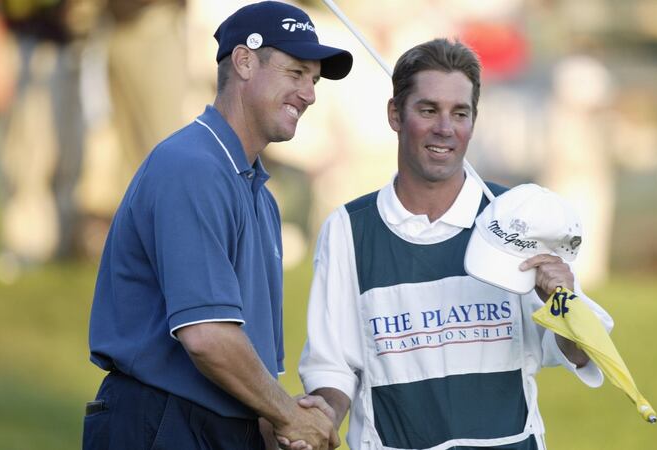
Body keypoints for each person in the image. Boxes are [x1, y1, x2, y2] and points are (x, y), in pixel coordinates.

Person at [297, 38, 613, 450]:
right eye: (428, 110)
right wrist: (317, 423)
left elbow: (579, 353)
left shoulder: (516, 217)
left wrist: (564, 302)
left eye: (459, 113)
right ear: (396, 114)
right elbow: (332, 368)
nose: (444, 128)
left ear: (474, 121)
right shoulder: (347, 230)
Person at [84, 2, 352, 449]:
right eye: (296, 73)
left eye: (314, 80)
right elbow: (207, 336)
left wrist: (288, 428)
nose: (309, 94)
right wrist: (290, 415)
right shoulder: (192, 166)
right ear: (244, 61)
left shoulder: (260, 196)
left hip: (217, 426)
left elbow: (254, 362)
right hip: (160, 422)